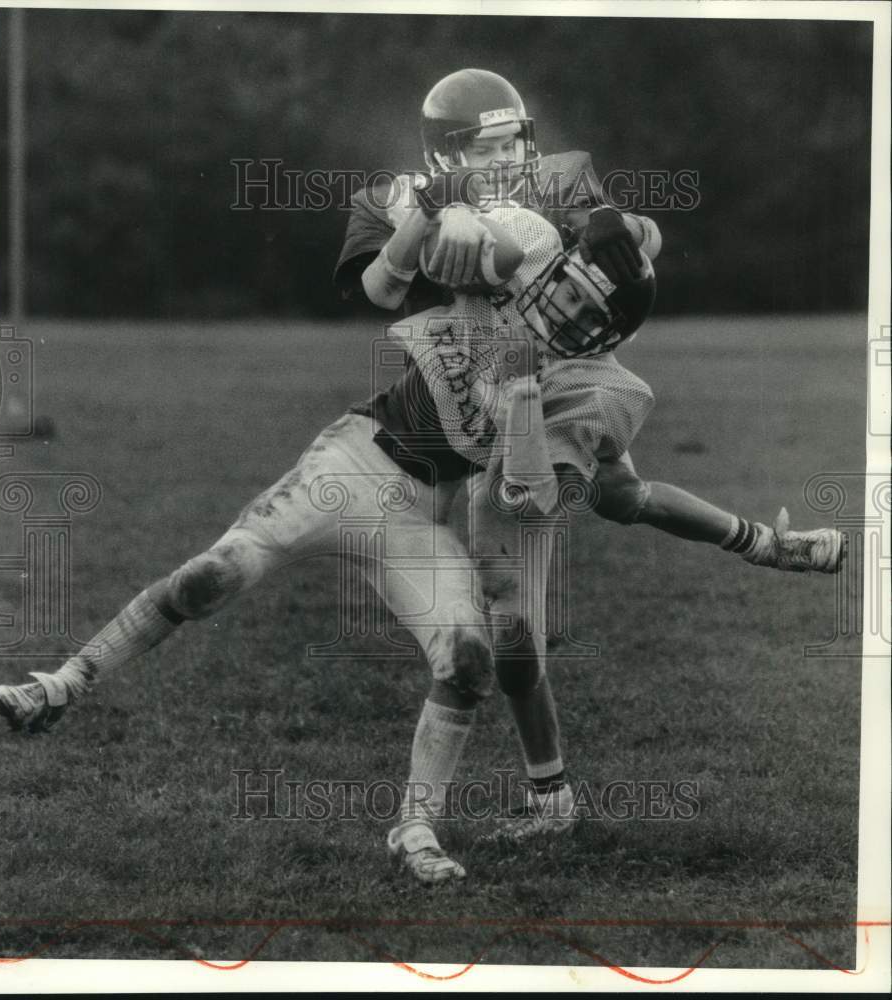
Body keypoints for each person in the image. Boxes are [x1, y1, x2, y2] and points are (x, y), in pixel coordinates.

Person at [333, 68, 844, 865]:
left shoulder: (557, 176)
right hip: (481, 392)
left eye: (515, 140)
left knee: (510, 626)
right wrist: (430, 225)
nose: (509, 156)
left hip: (558, 387)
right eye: (488, 144)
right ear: (443, 154)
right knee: (622, 495)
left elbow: (630, 237)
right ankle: (768, 545)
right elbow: (378, 285)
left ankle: (549, 798)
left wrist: (628, 225)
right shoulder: (399, 198)